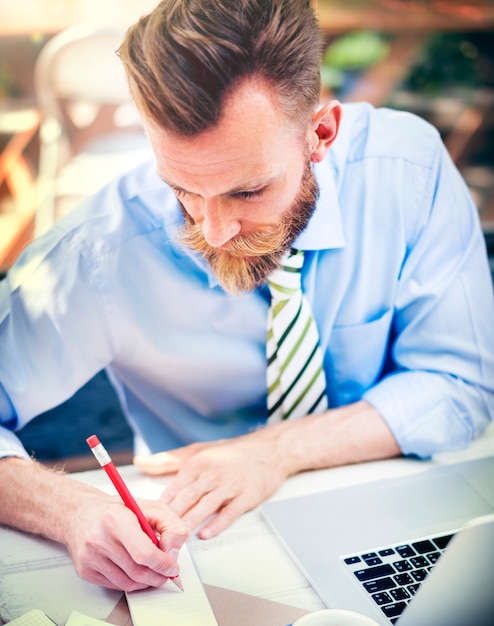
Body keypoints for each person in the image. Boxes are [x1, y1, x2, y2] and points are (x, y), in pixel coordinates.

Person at [1, 0, 493, 594]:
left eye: (249, 191)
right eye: (181, 187)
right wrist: (70, 510)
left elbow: (461, 384)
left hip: (394, 504)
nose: (211, 231)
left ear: (321, 133)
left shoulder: (407, 172)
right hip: (198, 543)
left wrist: (276, 451)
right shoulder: (100, 252)